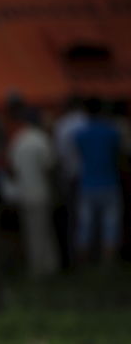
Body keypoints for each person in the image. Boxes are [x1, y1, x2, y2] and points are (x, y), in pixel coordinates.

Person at [8, 107, 60, 278]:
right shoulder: (41, 140)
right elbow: (49, 167)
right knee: (44, 231)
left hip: (24, 193)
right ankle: (45, 268)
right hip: (41, 192)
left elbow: (13, 168)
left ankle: (37, 267)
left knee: (31, 233)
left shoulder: (18, 140)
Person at [73, 97, 123, 265]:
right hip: (110, 182)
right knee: (110, 225)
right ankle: (107, 263)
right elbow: (118, 154)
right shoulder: (112, 132)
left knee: (85, 226)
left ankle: (84, 263)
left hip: (88, 183)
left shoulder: (81, 135)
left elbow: (79, 155)